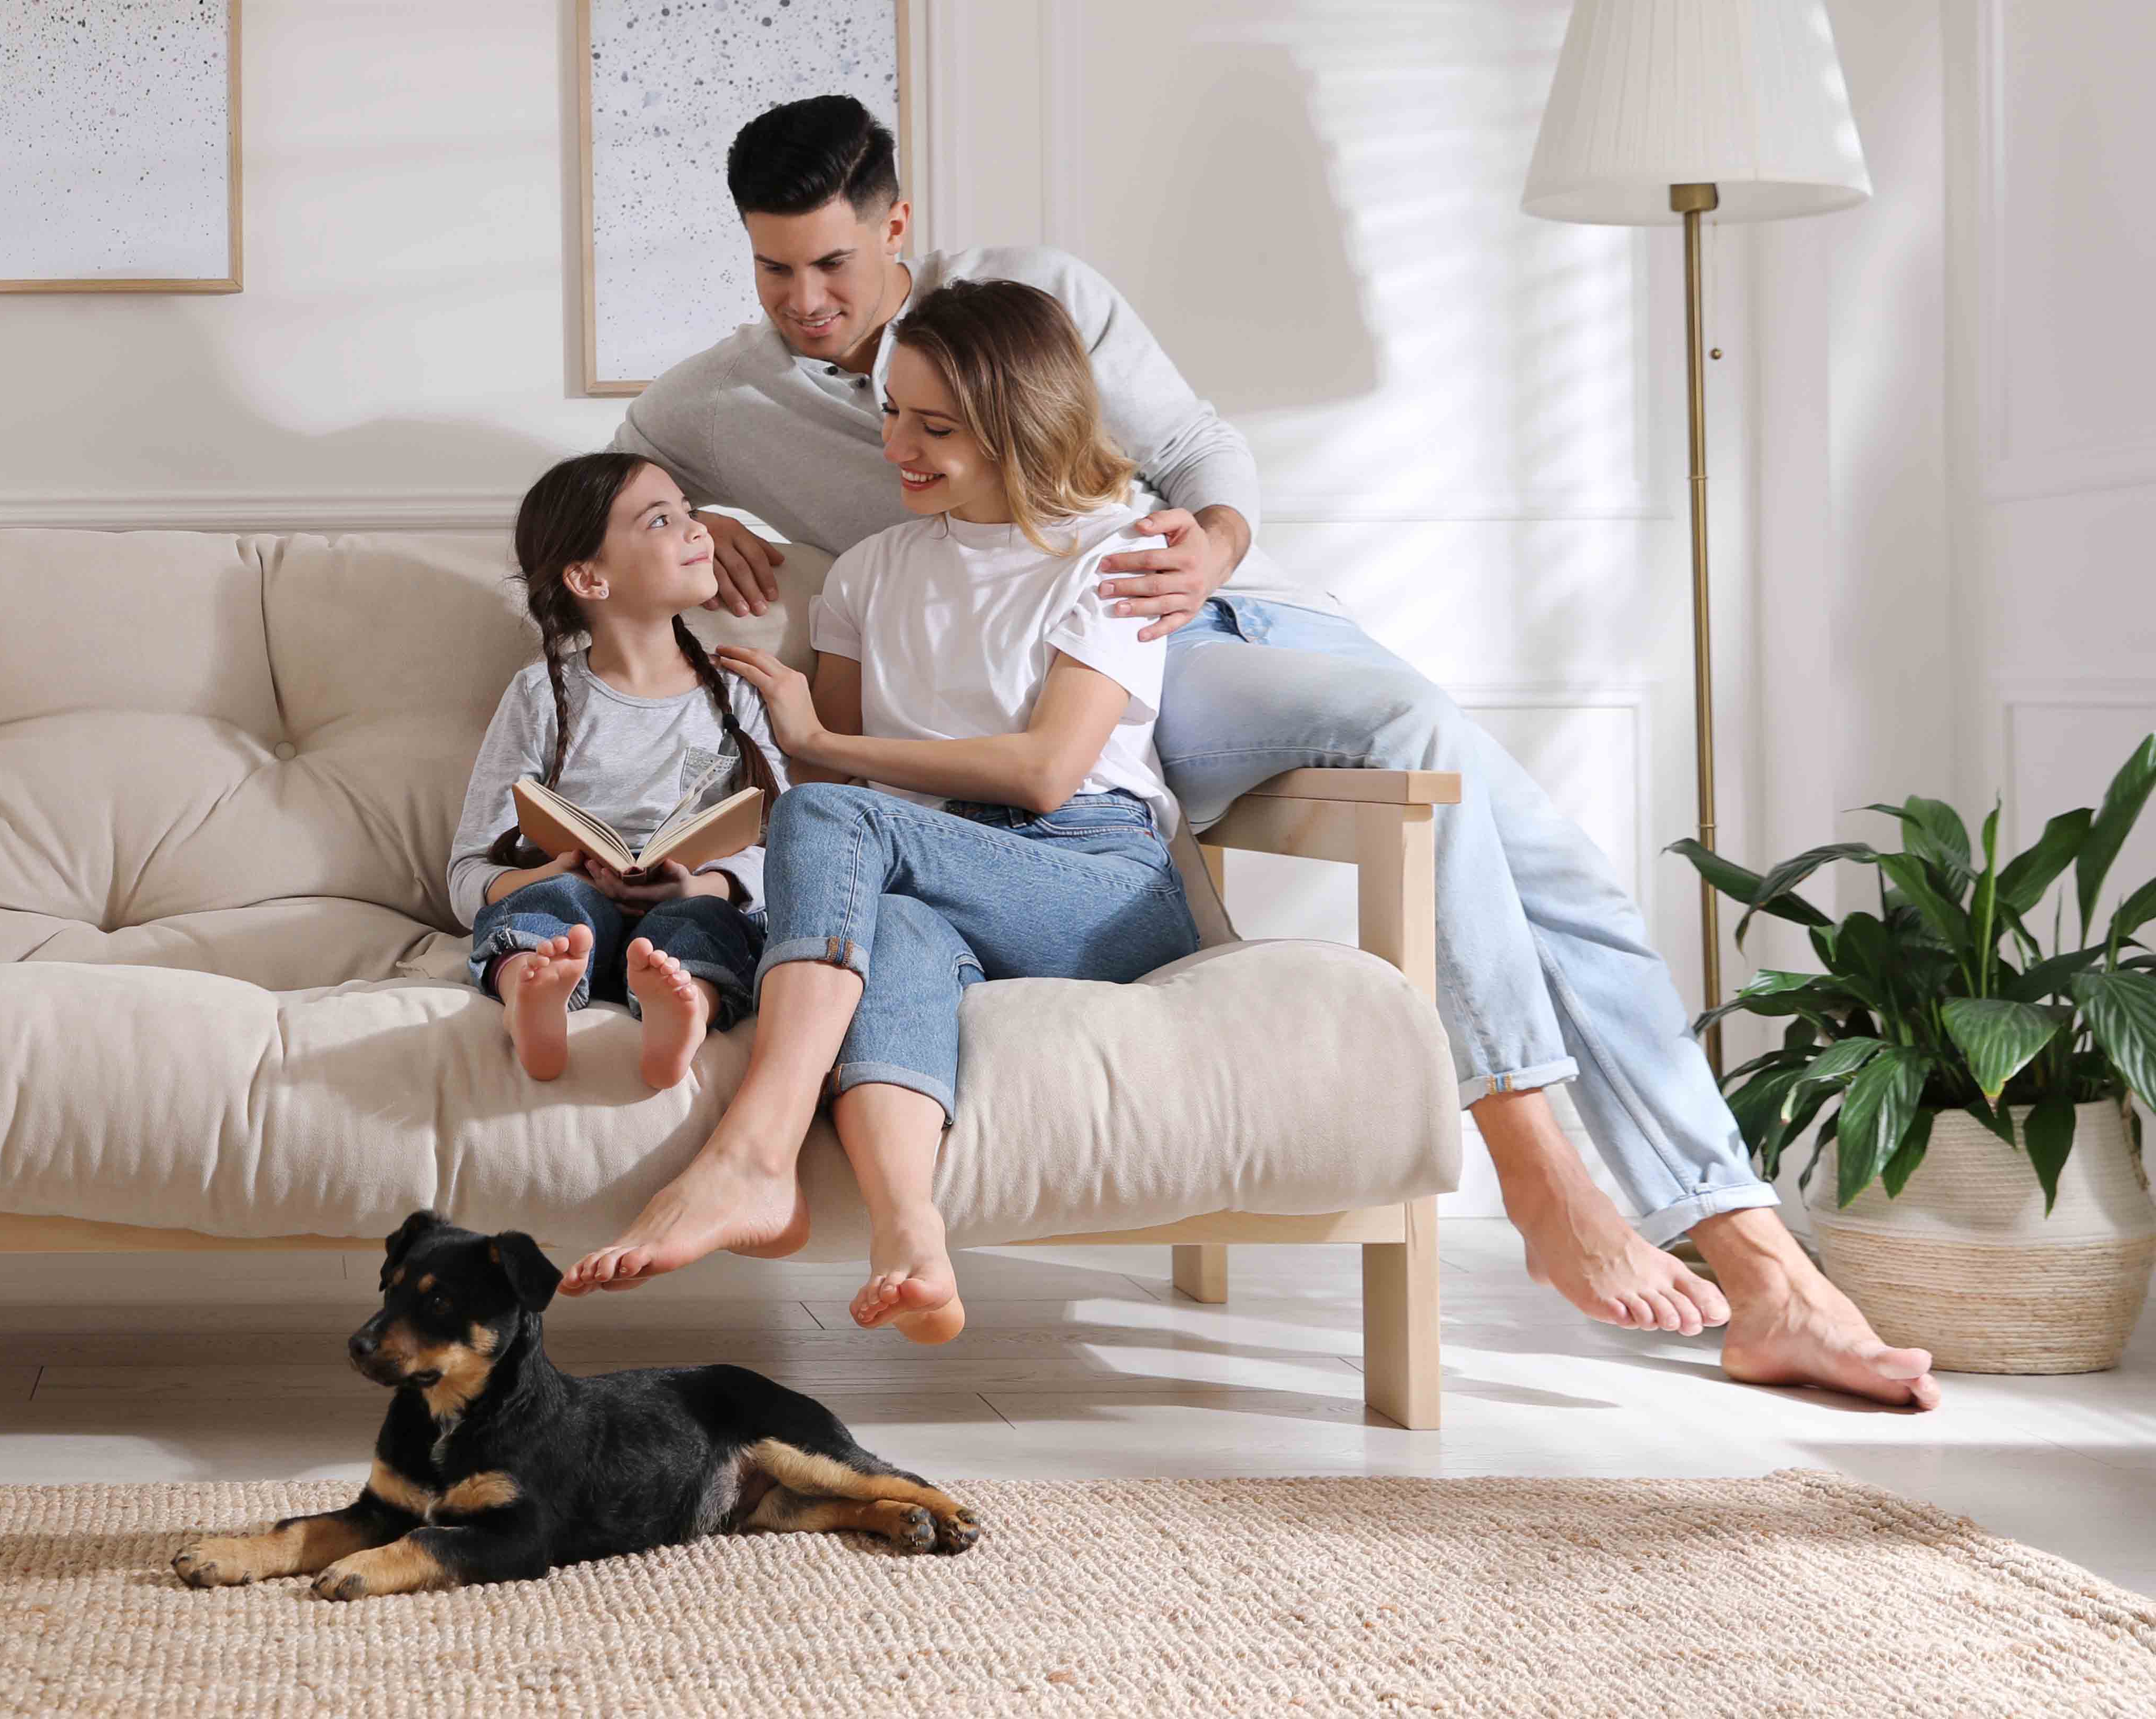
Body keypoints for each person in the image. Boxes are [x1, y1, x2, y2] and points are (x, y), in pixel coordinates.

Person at [578, 93, 1938, 1412]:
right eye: (774, 271)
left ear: (896, 226)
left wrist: (1205, 551)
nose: (807, 299)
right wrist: (694, 511)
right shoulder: (735, 399)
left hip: (1193, 623)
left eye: (831, 261)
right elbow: (620, 463)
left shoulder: (1030, 298)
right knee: (1448, 775)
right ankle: (1646, 1224)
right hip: (1076, 691)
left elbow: (1200, 452)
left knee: (1544, 860)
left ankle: (1696, 1238)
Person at [702, 278, 1201, 1343]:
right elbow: (842, 797)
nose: (898, 447)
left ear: (1024, 424)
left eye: (936, 426)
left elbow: (1044, 772)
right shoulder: (872, 573)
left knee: (834, 818)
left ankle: (755, 1147)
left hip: (1094, 881)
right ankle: (911, 1235)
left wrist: (822, 745)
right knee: (901, 928)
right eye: (891, 411)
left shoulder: (1118, 554)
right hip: (934, 871)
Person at [447, 454, 785, 1090]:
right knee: (552, 904)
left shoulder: (736, 695)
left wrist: (704, 889)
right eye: (663, 519)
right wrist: (551, 872)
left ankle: (684, 1013)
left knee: (707, 928)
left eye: (689, 510)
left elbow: (791, 855)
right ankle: (532, 994)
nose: (698, 529)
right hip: (574, 914)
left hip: (689, 907)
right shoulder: (540, 695)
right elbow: (467, 871)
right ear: (589, 578)